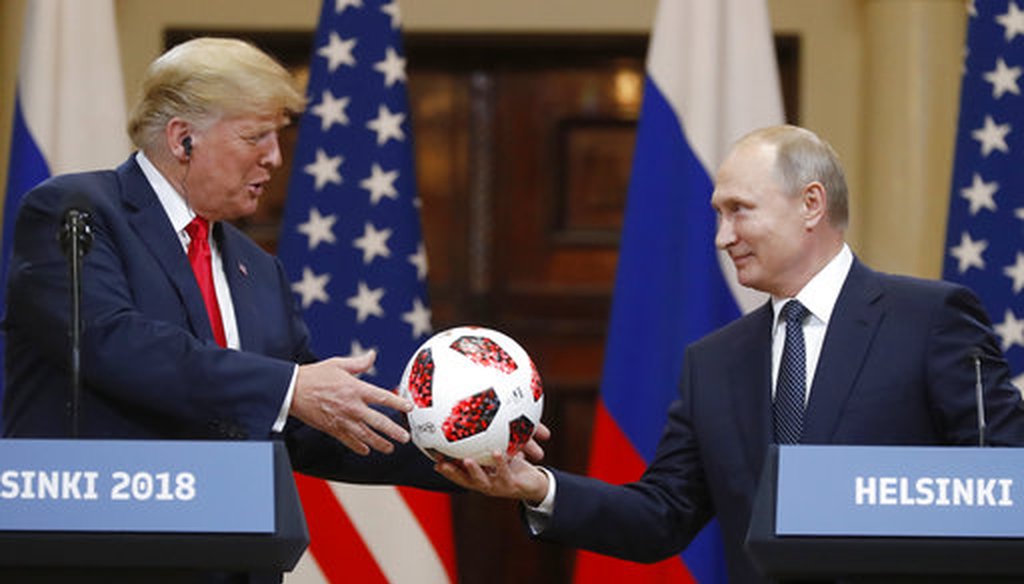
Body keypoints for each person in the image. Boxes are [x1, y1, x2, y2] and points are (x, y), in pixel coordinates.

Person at [436, 124, 1024, 584]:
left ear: (811, 203)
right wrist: (535, 486)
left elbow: (1004, 490)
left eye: (739, 210)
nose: (722, 236)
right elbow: (659, 517)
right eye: (718, 215)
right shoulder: (714, 363)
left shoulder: (929, 319)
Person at [2, 37, 453, 583]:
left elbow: (307, 425)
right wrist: (291, 389)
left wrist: (453, 454)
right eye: (255, 136)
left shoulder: (258, 270)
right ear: (183, 138)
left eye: (278, 137)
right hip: (103, 560)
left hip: (233, 565)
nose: (275, 157)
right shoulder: (74, 212)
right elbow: (114, 343)